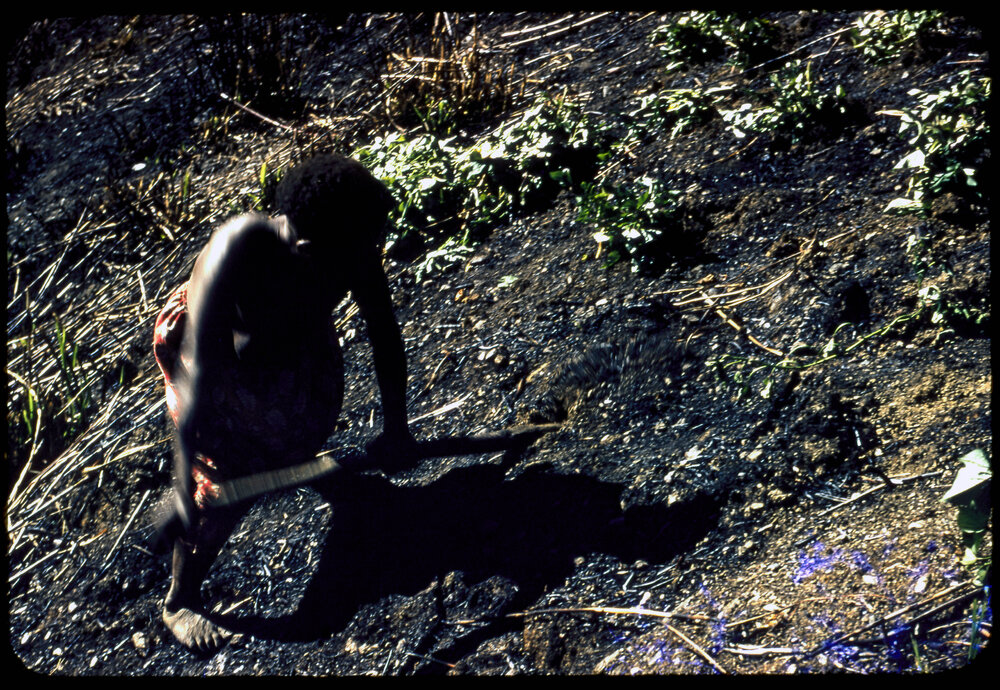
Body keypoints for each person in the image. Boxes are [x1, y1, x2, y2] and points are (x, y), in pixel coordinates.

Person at [152, 154, 414, 651]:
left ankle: (294, 460)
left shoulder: (348, 248)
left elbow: (384, 331)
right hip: (213, 361)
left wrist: (398, 431)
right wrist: (184, 483)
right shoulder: (237, 250)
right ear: (310, 251)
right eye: (362, 248)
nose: (369, 257)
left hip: (289, 349)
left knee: (302, 424)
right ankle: (179, 599)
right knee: (224, 470)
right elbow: (199, 378)